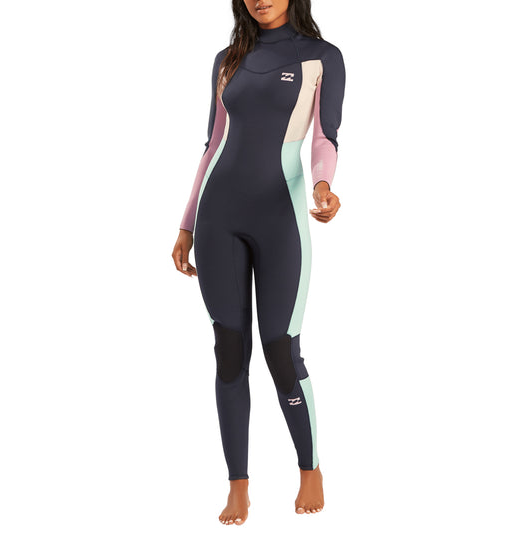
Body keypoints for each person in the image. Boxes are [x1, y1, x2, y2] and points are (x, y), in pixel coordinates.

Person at [172, 0, 345, 525]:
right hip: (217, 218)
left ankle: (309, 468)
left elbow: (324, 136)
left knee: (280, 350)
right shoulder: (228, 58)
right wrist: (186, 224)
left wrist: (323, 186)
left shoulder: (321, 57)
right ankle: (238, 485)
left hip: (280, 217)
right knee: (229, 352)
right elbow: (212, 144)